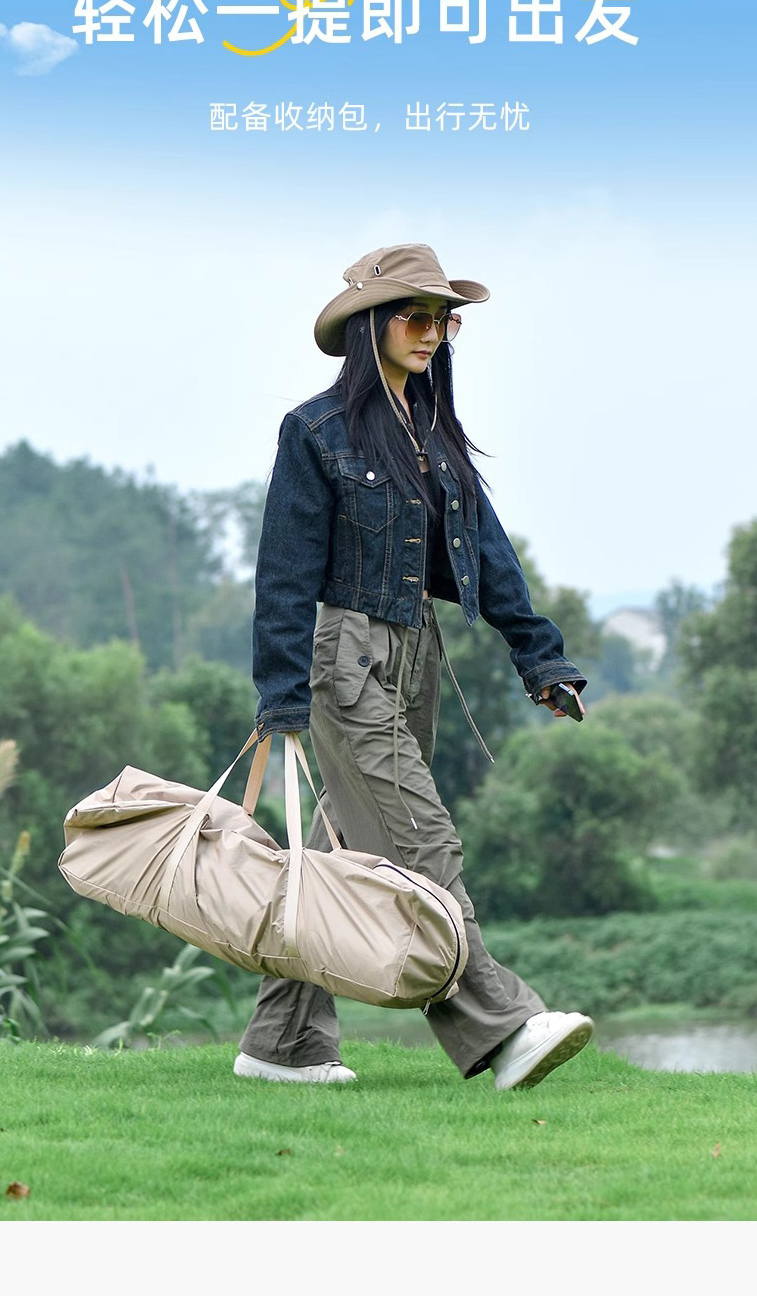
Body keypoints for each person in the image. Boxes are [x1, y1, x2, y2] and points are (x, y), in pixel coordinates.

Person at [234, 243, 594, 1091]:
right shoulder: (315, 431)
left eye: (445, 320)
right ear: (371, 326)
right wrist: (280, 698)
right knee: (418, 843)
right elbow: (283, 575)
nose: (433, 333)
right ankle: (503, 1028)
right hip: (346, 662)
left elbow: (489, 554)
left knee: (342, 859)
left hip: (417, 655)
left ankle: (282, 1043)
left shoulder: (434, 433)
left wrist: (540, 657)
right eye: (417, 316)